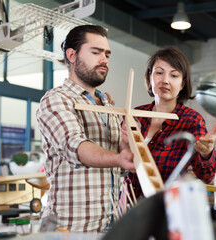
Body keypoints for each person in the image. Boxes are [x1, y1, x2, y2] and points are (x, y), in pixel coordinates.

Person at [36, 25, 135, 232]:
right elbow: (76, 146)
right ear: (72, 55)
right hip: (68, 229)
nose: (104, 60)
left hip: (109, 226)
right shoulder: (56, 99)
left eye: (107, 54)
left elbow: (118, 163)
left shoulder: (107, 104)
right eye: (96, 52)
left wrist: (127, 145)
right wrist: (118, 158)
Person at [125, 46, 216, 197]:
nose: (165, 80)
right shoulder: (135, 115)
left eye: (174, 75)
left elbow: (207, 176)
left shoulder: (192, 120)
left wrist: (207, 153)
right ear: (150, 77)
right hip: (130, 205)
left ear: (182, 84)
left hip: (167, 208)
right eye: (159, 73)